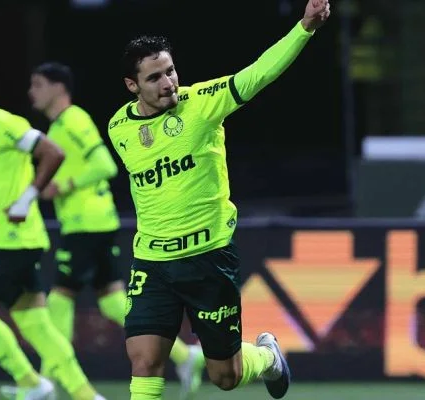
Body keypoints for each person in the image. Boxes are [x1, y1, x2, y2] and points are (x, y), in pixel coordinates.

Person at [105, 1, 331, 399]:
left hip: (207, 258)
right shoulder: (118, 126)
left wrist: (305, 28)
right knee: (144, 360)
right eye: (154, 77)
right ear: (132, 86)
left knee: (225, 376)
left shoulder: (203, 103)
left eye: (170, 71)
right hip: (152, 261)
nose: (168, 83)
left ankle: (268, 358)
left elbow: (259, 73)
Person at [25, 62, 207, 398]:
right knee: (111, 302)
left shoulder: (73, 119)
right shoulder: (59, 126)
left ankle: (47, 380)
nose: (31, 92)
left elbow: (105, 165)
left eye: (37, 84)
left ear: (58, 88)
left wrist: (64, 185)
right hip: (92, 223)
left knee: (60, 298)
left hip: (88, 225)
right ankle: (186, 357)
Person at [0, 58, 105, 400]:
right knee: (36, 325)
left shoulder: (4, 123)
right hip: (7, 241)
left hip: (13, 241)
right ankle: (87, 396)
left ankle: (32, 383)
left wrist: (27, 200)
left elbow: (52, 153)